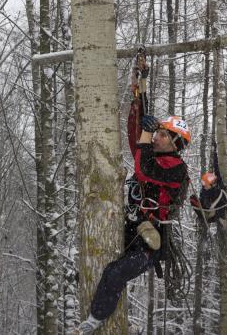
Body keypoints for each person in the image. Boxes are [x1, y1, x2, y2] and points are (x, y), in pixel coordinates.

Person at [74, 59, 190, 335]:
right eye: (158, 132)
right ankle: (121, 319)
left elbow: (145, 169)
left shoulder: (176, 169)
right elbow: (136, 135)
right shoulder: (152, 153)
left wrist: (148, 131)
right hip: (131, 227)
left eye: (163, 135)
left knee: (115, 273)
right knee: (93, 263)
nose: (156, 137)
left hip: (149, 243)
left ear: (176, 144)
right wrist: (139, 91)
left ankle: (94, 321)